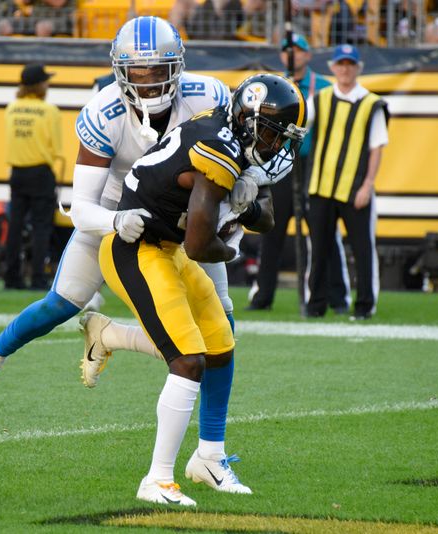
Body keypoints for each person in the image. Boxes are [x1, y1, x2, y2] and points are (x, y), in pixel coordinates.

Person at [0, 17, 277, 495]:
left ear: (178, 65)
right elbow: (79, 205)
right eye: (137, 71)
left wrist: (246, 182)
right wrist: (115, 221)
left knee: (220, 330)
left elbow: (237, 156)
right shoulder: (104, 113)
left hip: (185, 223)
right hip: (116, 219)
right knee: (62, 303)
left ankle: (210, 454)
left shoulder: (208, 95)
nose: (149, 80)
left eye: (159, 68)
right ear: (119, 71)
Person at [96, 74, 306, 505]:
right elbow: (200, 244)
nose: (275, 145)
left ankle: (209, 458)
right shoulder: (218, 146)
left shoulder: (239, 139)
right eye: (272, 133)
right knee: (188, 360)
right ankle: (156, 479)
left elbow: (264, 220)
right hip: (135, 248)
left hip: (168, 249)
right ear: (249, 121)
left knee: (221, 343)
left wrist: (245, 201)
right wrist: (232, 241)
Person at [247, 33, 351, 314]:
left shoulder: (325, 87)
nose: (291, 55)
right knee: (271, 233)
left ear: (308, 55)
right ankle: (262, 297)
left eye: (297, 50)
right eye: (287, 51)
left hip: (313, 167)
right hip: (281, 166)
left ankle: (336, 297)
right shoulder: (274, 86)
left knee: (323, 234)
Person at [305, 44, 388, 320]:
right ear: (332, 67)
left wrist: (368, 185)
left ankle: (364, 306)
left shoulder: (370, 103)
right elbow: (300, 126)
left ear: (358, 68)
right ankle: (316, 305)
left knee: (363, 250)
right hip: (321, 186)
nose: (344, 69)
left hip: (355, 190)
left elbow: (377, 147)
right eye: (340, 64)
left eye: (349, 64)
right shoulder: (321, 99)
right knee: (319, 250)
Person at [2, 64, 61, 290]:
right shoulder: (50, 111)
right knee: (41, 227)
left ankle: (11, 277)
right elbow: (55, 149)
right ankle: (38, 277)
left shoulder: (11, 108)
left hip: (17, 172)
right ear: (39, 85)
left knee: (15, 226)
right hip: (40, 172)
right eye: (45, 81)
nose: (48, 84)